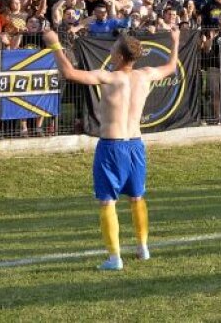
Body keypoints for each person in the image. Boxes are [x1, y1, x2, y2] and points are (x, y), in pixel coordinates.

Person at [44, 25, 181, 271]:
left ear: (119, 56)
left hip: (112, 147)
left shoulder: (108, 77)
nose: (111, 50)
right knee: (137, 197)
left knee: (107, 202)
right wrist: (175, 40)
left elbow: (68, 72)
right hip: (136, 146)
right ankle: (143, 247)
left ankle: (114, 258)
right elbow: (171, 67)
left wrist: (54, 43)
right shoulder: (145, 74)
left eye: (114, 48)